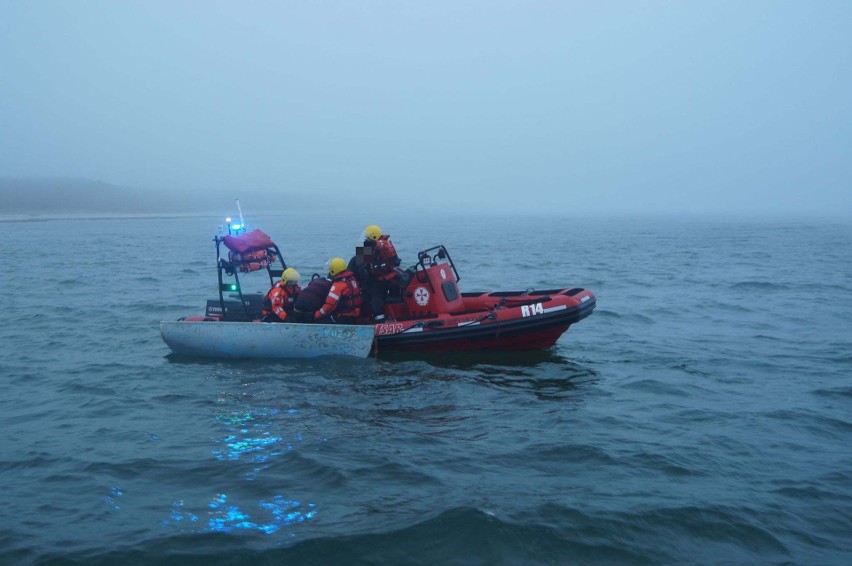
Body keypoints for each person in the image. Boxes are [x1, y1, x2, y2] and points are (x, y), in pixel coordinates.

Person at [360, 224, 401, 322]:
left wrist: (372, 244)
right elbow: (362, 259)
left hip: (386, 278)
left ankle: (380, 319)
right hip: (380, 276)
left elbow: (381, 245)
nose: (365, 240)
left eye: (367, 237)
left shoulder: (383, 244)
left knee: (375, 297)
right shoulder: (373, 246)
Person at [314, 257, 363, 324]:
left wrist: (316, 315)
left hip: (342, 318)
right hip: (354, 316)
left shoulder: (339, 284)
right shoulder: (352, 279)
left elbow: (329, 306)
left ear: (333, 271)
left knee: (319, 321)